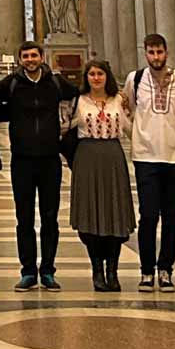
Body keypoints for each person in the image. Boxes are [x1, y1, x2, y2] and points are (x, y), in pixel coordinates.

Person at [0, 39, 78, 290]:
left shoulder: (55, 82)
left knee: (50, 217)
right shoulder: (12, 83)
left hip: (50, 159)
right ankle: (28, 270)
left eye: (34, 56)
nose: (30, 60)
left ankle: (48, 270)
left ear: (41, 57)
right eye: (25, 56)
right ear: (20, 60)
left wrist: (65, 129)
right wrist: (11, 117)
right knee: (24, 218)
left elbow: (77, 96)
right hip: (21, 159)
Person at [126, 33, 175, 292]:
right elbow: (129, 108)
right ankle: (146, 270)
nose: (156, 57)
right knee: (149, 215)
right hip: (145, 157)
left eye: (159, 52)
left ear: (166, 52)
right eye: (151, 52)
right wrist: (140, 135)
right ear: (145, 53)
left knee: (171, 217)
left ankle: (166, 268)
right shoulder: (135, 79)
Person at [68, 59, 134, 292]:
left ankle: (112, 270)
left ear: (107, 76)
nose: (96, 78)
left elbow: (132, 128)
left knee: (113, 213)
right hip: (87, 158)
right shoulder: (79, 101)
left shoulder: (119, 100)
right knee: (91, 214)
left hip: (112, 157)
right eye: (92, 74)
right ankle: (97, 269)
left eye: (100, 74)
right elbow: (65, 127)